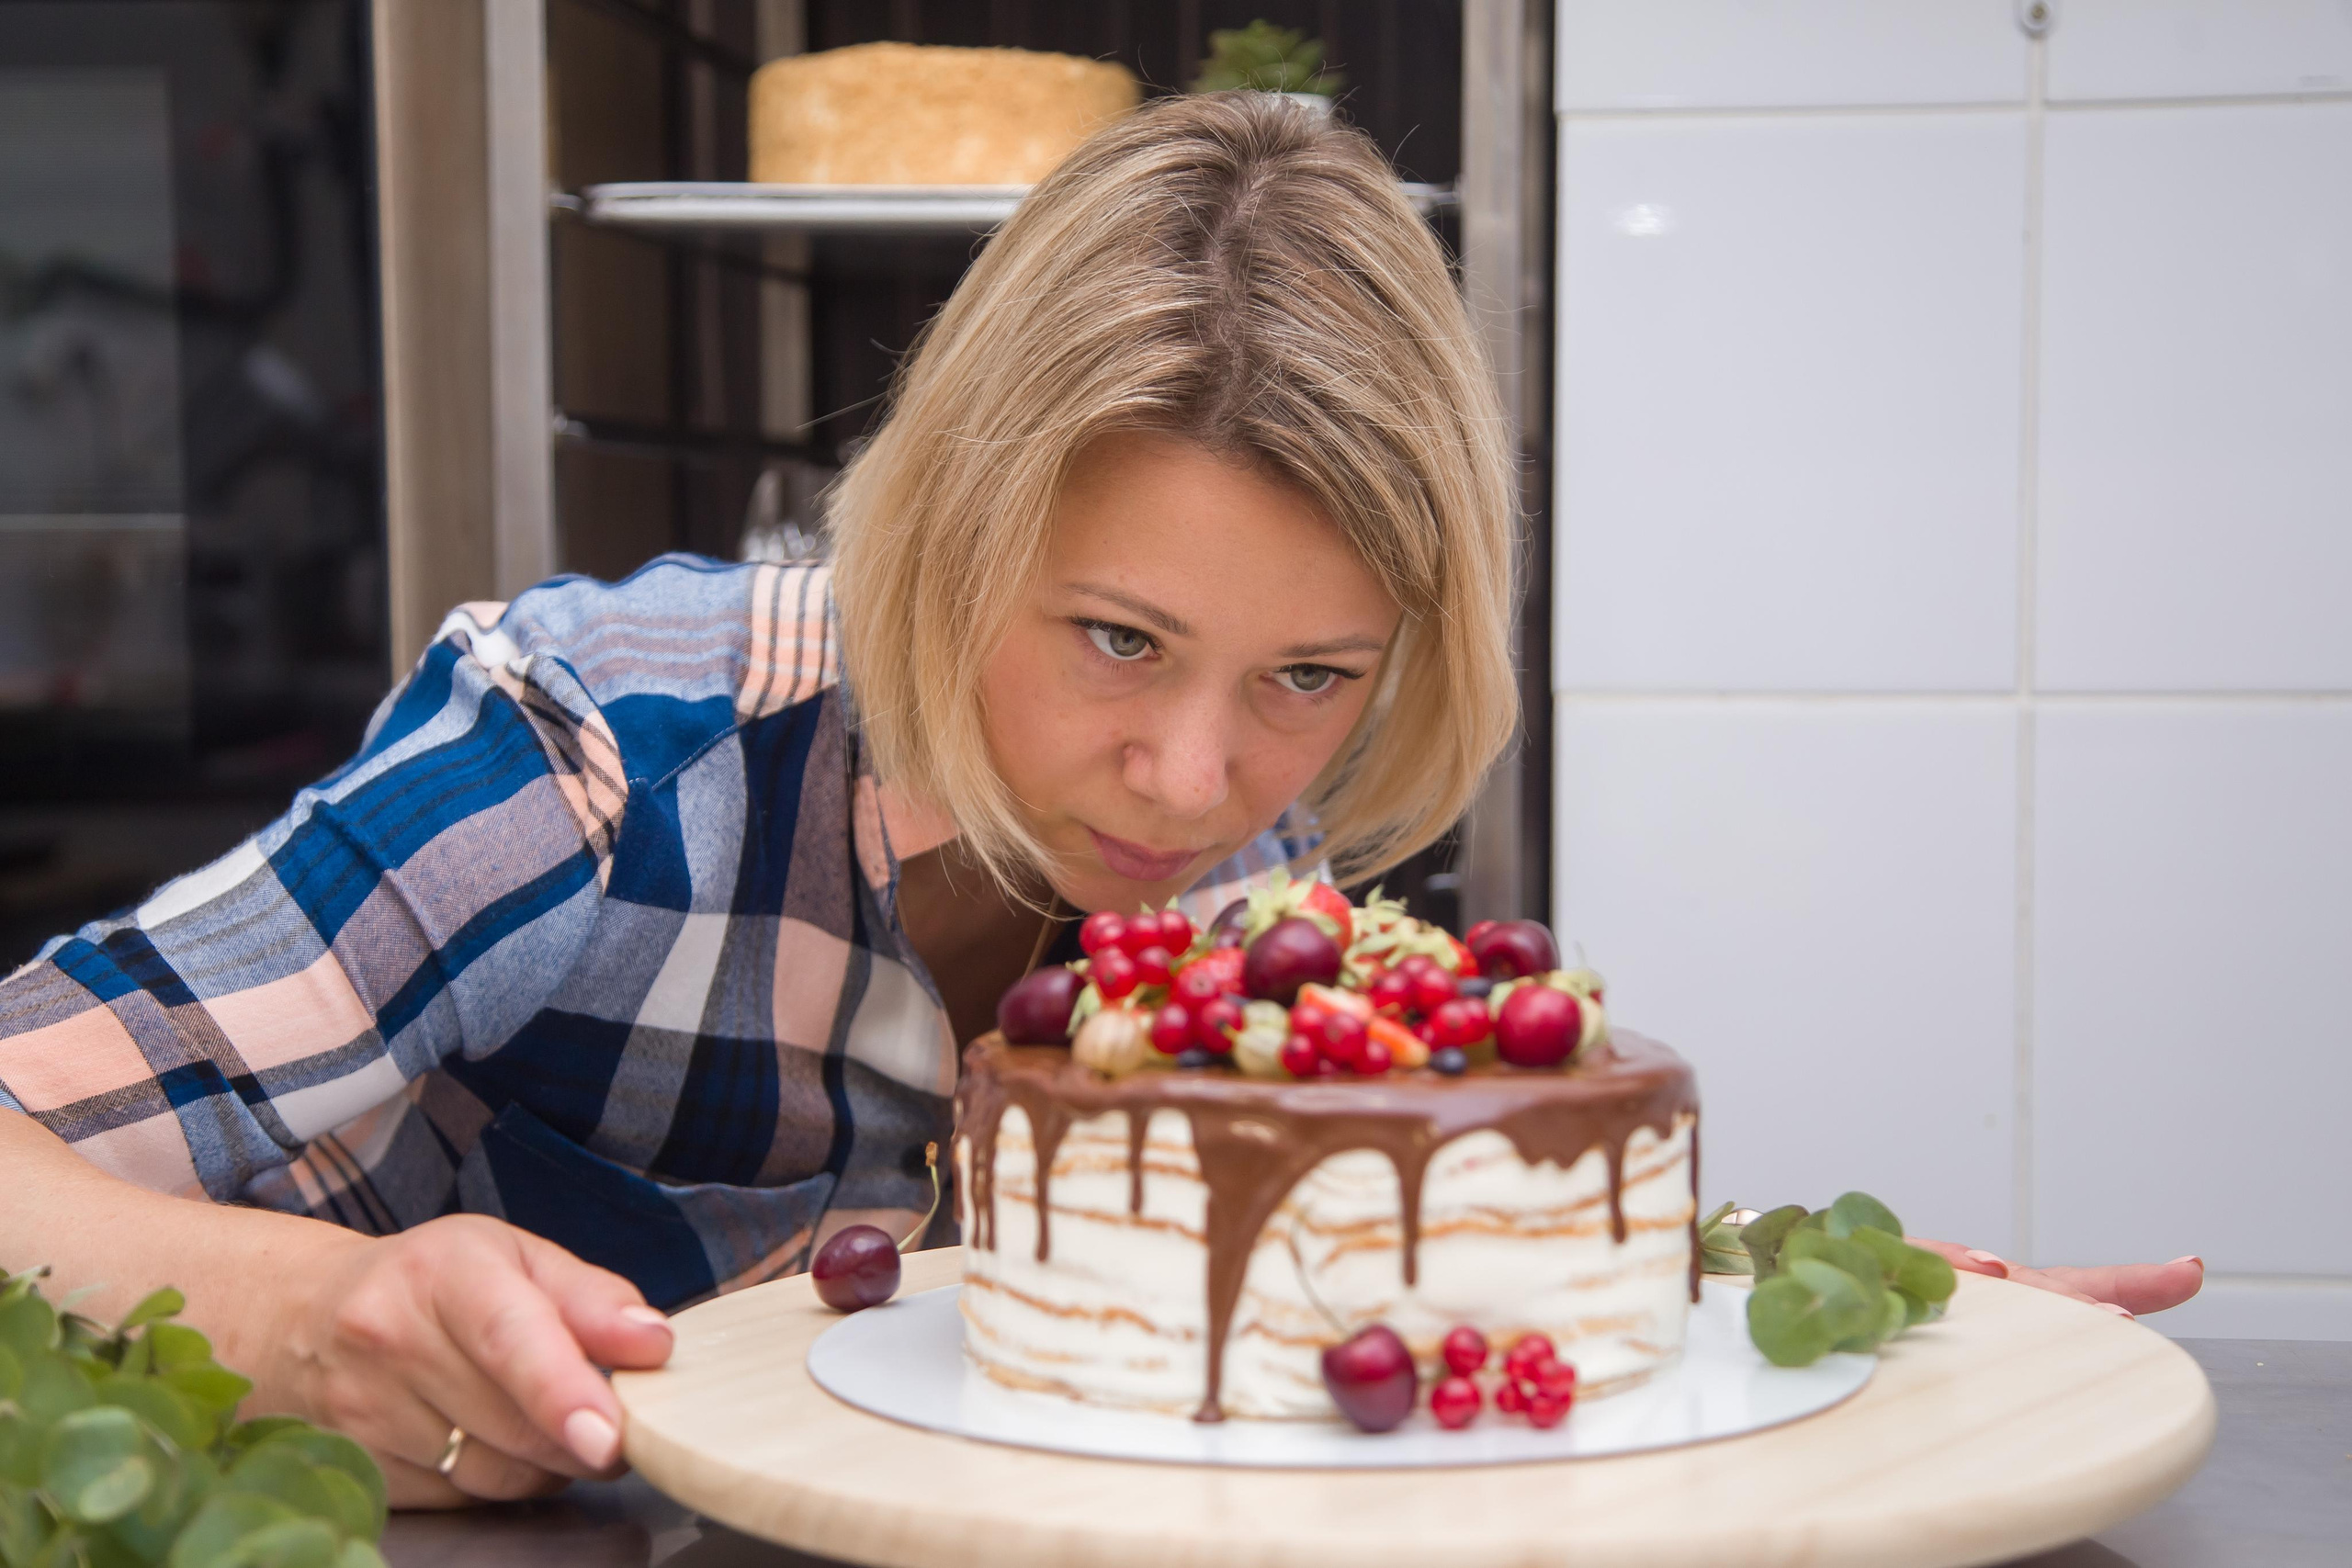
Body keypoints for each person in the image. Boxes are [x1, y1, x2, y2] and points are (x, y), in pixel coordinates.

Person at [0, 95, 2199, 1508]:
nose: (1193, 777)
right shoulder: (592, 744)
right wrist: (285, 1304)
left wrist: (1759, 1306)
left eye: (1307, 679)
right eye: (1115, 637)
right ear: (953, 515)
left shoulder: (1247, 877)